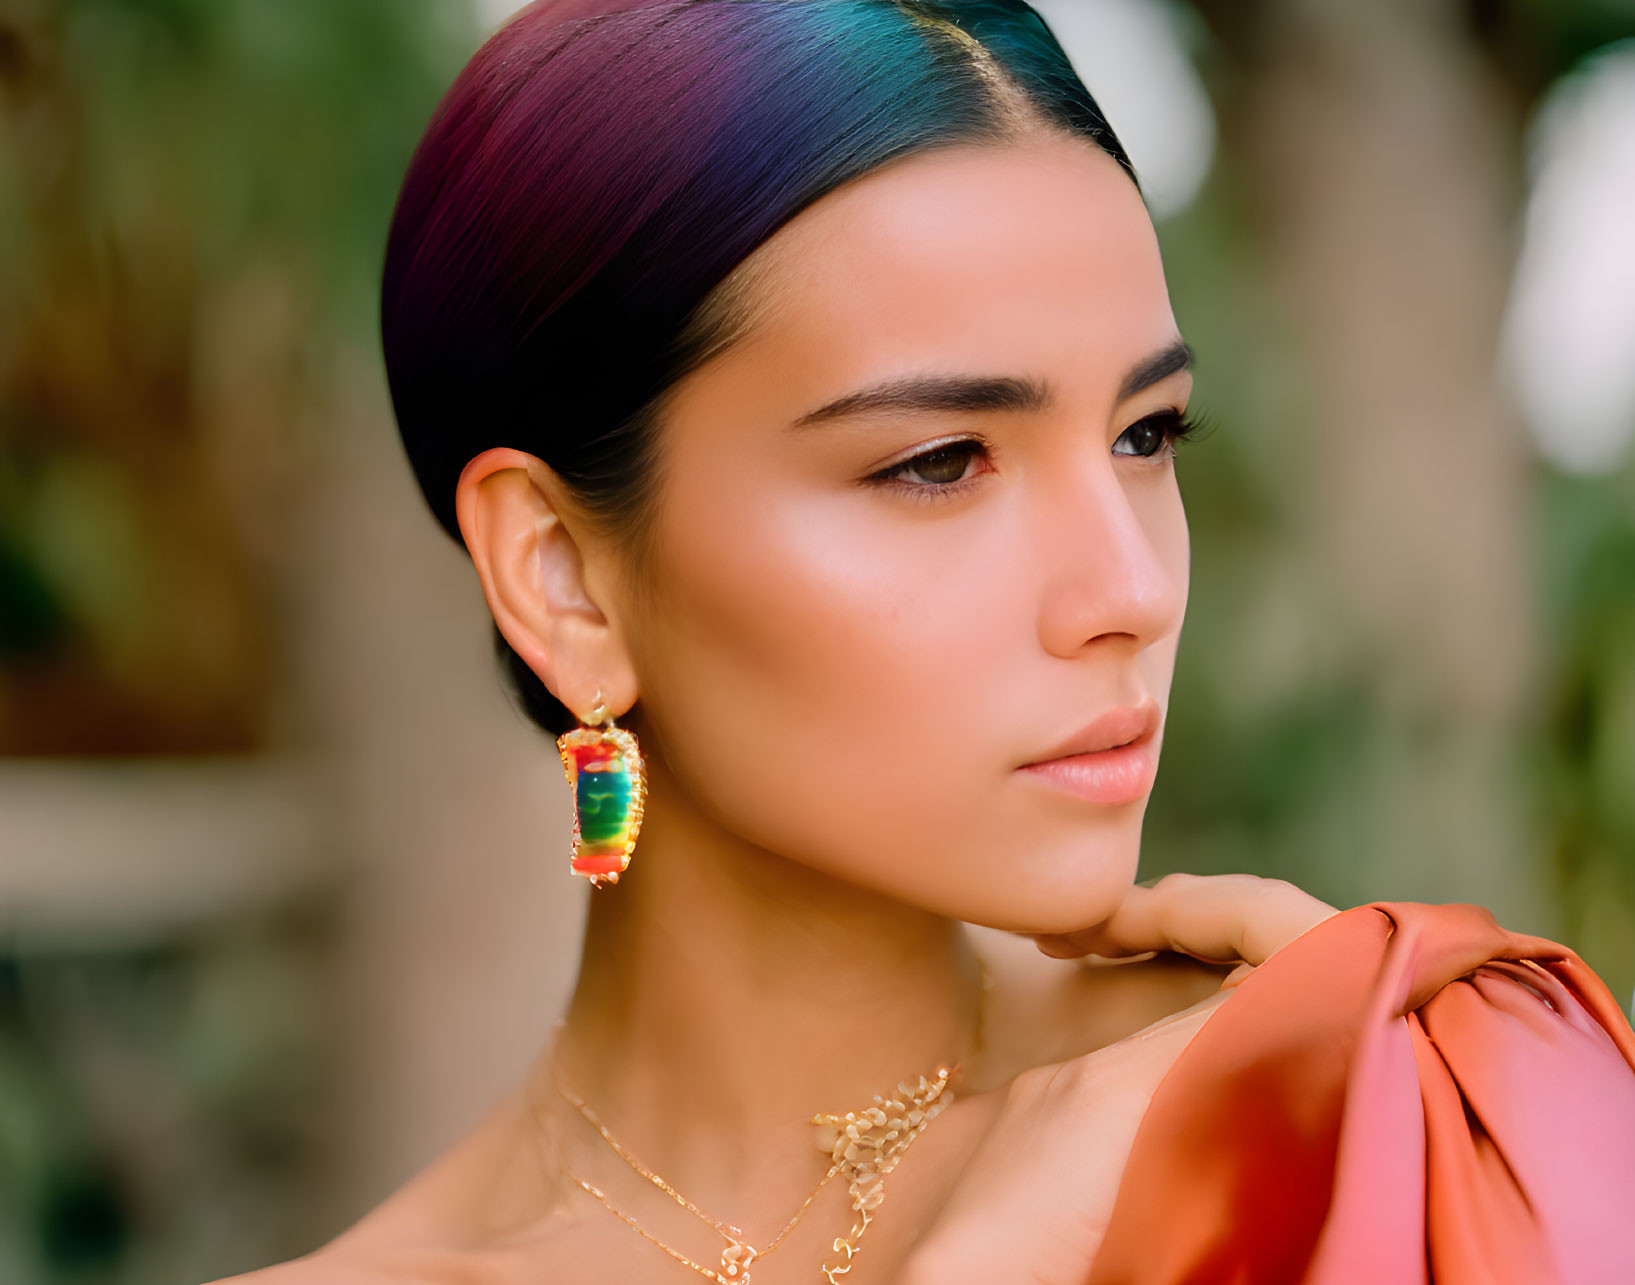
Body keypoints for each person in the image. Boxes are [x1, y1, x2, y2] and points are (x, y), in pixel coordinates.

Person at [214, 2, 1635, 1281]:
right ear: (565, 576)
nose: (1129, 585)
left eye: (1148, 434)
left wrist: (1337, 1076)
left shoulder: (1411, 1112)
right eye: (943, 460)